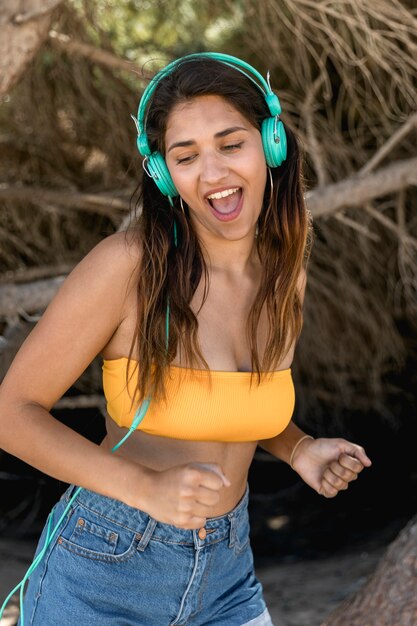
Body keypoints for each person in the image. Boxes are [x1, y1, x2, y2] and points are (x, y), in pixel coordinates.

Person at [0, 53, 371, 626]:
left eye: (230, 144)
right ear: (163, 173)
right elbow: (11, 414)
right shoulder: (127, 267)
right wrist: (143, 488)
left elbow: (234, 405)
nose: (214, 173)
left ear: (271, 144)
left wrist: (298, 448)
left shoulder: (284, 267)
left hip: (227, 574)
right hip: (106, 572)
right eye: (186, 156)